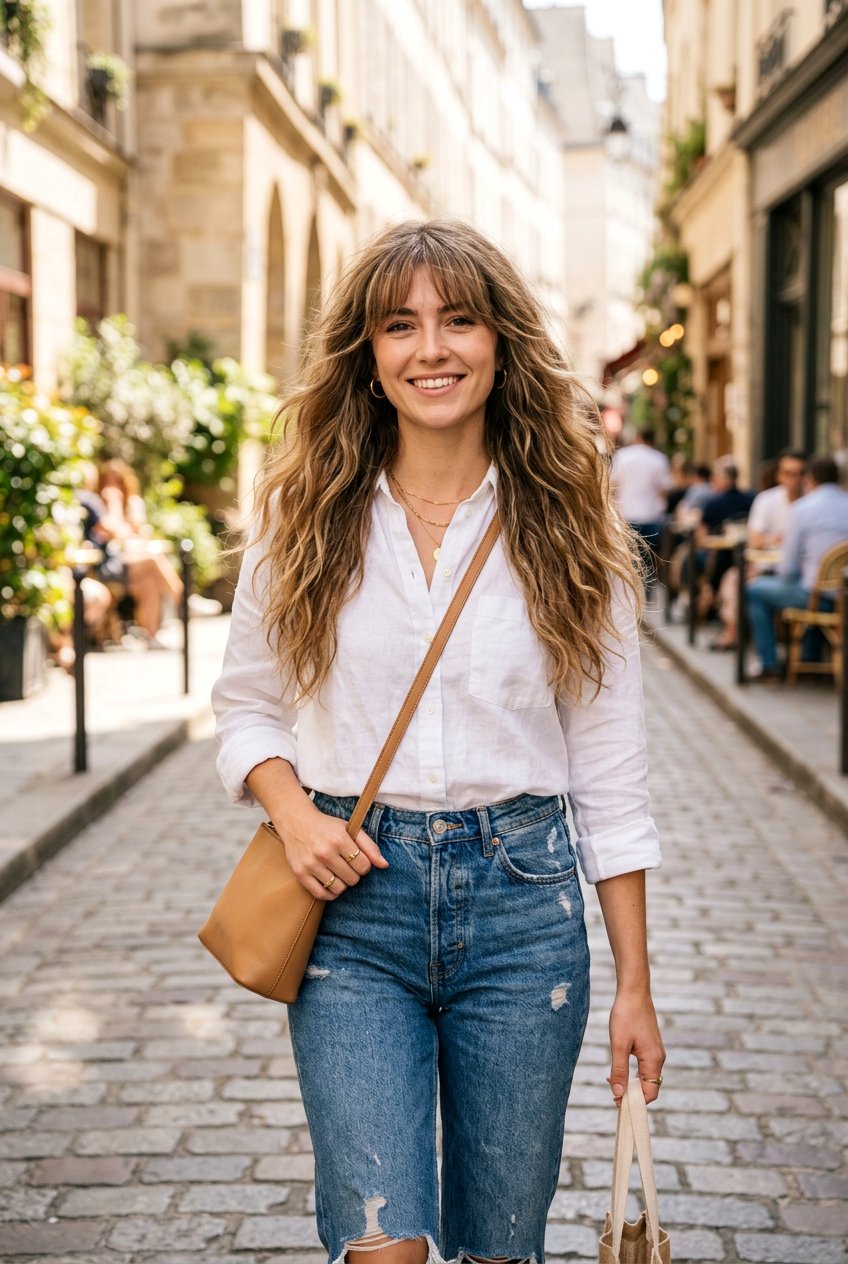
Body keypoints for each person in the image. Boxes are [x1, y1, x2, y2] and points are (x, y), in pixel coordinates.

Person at [212, 220, 665, 1264]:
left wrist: (634, 985)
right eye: (400, 325)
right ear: (367, 355)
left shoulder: (568, 526)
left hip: (523, 913)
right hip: (352, 914)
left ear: (500, 341)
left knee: (500, 1247)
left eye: (458, 320)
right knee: (383, 1245)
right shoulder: (306, 516)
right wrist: (294, 816)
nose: (431, 349)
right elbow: (244, 707)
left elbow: (610, 770)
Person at [747, 455, 848, 681]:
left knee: (755, 590)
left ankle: (769, 665)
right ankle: (810, 657)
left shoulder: (802, 509)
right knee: (810, 585)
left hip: (817, 596)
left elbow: (787, 568)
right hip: (844, 595)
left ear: (810, 479)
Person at [96, 458, 220, 644]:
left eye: (116, 482)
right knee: (154, 560)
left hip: (131, 561)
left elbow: (137, 534)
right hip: (111, 565)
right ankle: (185, 601)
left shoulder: (132, 503)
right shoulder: (98, 505)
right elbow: (115, 532)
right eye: (108, 481)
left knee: (149, 581)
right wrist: (114, 507)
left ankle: (151, 636)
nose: (112, 487)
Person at [709, 450, 806, 651]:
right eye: (788, 473)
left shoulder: (810, 503)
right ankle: (733, 633)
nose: (793, 479)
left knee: (752, 590)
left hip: (801, 574)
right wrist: (774, 540)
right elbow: (754, 539)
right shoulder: (767, 500)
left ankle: (770, 658)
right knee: (734, 580)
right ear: (779, 475)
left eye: (799, 473)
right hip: (767, 567)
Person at [610, 426, 671, 592]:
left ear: (638, 437)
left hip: (626, 514)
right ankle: (646, 593)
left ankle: (630, 592)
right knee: (648, 559)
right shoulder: (659, 459)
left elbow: (612, 486)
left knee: (628, 559)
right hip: (651, 515)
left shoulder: (622, 456)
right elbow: (663, 490)